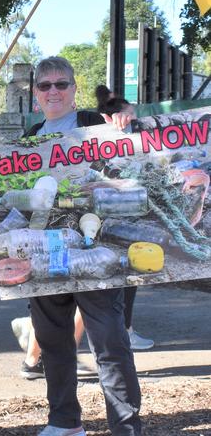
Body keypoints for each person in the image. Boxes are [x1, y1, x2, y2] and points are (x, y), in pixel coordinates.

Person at [0, 57, 142, 436]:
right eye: (45, 86)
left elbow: (133, 135)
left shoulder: (96, 123)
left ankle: (126, 427)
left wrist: (124, 115)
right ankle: (64, 422)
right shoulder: (31, 137)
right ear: (36, 95)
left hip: (96, 247)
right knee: (54, 341)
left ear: (74, 90)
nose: (53, 91)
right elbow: (3, 178)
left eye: (61, 84)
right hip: (45, 250)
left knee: (109, 343)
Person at [95, 85, 154, 351]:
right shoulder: (102, 141)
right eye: (130, 116)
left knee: (124, 279)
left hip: (124, 217)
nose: (134, 121)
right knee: (118, 281)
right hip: (111, 221)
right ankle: (124, 332)